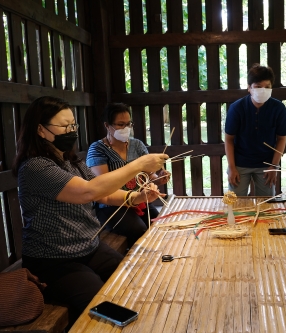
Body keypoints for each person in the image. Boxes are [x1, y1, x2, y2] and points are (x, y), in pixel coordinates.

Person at [11, 96, 168, 325]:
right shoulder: (35, 167)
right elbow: (88, 192)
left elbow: (103, 193)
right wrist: (139, 165)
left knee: (133, 280)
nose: (71, 131)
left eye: (73, 125)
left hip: (89, 247)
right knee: (100, 306)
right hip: (54, 260)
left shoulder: (69, 160)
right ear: (41, 130)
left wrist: (136, 197)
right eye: (64, 126)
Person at [86, 103, 170, 247]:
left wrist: (160, 178)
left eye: (128, 124)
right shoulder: (98, 149)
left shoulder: (137, 145)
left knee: (160, 225)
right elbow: (101, 186)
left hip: (140, 200)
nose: (126, 128)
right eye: (120, 124)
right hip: (112, 206)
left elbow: (150, 176)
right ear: (107, 126)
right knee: (139, 231)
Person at [224, 63, 286, 196]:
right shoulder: (236, 108)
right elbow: (229, 139)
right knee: (236, 204)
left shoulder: (278, 108)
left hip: (267, 165)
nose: (263, 90)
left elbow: (282, 138)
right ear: (249, 88)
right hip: (240, 163)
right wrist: (232, 168)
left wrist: (274, 166)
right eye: (258, 87)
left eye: (267, 87)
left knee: (266, 205)